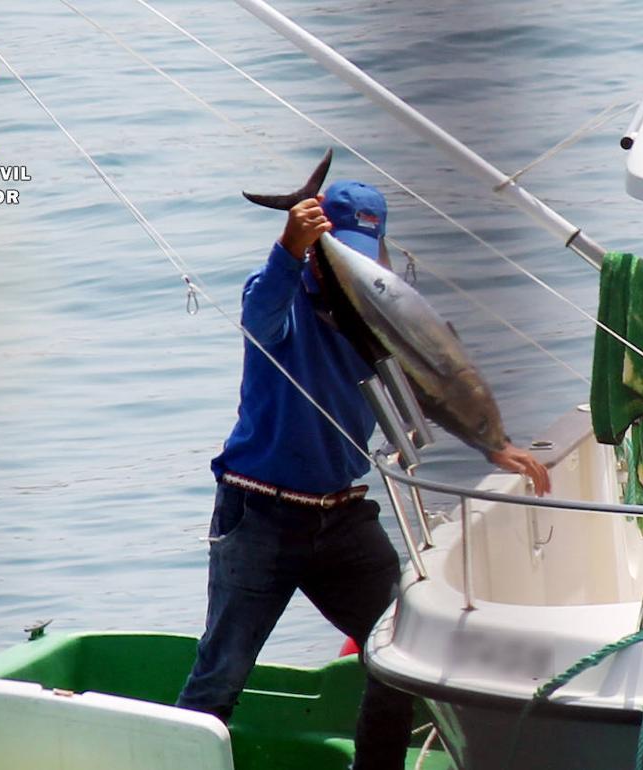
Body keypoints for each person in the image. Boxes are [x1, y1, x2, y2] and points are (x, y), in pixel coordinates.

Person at [176, 180, 551, 769]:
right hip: (260, 514)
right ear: (317, 248)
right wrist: (289, 247)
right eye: (333, 250)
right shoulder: (282, 298)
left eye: (359, 250)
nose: (345, 266)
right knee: (221, 673)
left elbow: (427, 378)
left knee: (402, 651)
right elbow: (258, 314)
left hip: (342, 517)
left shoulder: (376, 307)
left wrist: (491, 443)